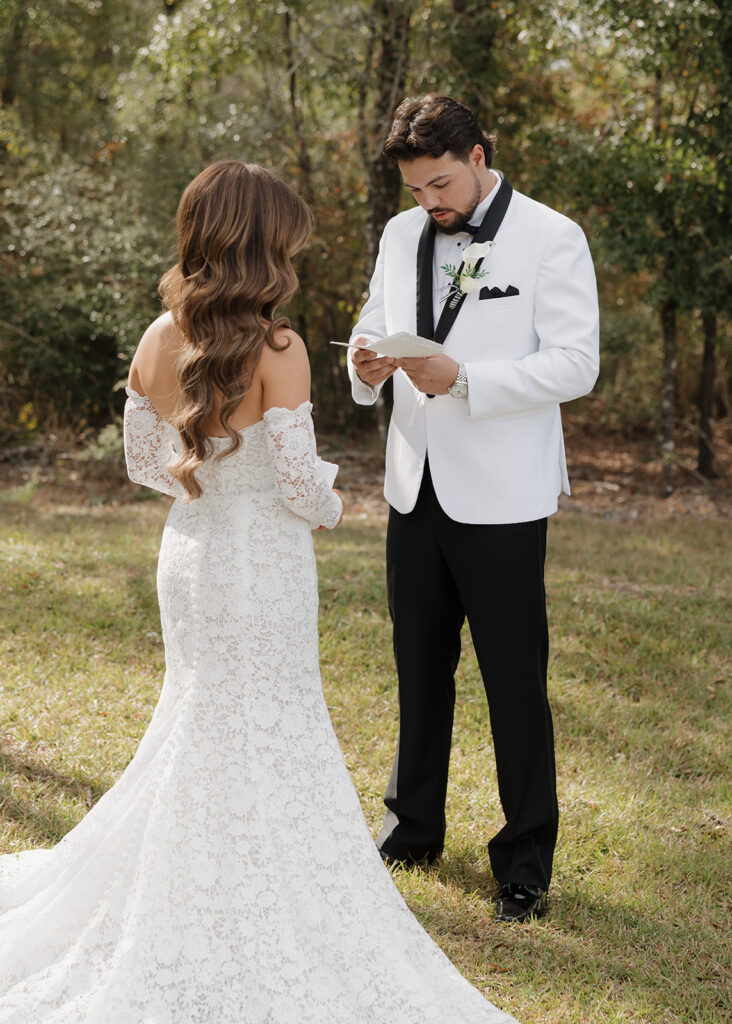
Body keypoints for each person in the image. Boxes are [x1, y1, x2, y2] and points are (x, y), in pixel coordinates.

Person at [0, 161, 520, 1023]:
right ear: (262, 247)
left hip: (192, 554)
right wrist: (335, 499)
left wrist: (202, 483)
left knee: (197, 714)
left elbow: (140, 463)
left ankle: (190, 876)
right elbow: (296, 488)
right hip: (265, 566)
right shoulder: (278, 350)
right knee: (270, 720)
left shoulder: (158, 335)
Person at [348, 95, 600, 923]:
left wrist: (469, 382)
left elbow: (576, 365)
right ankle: (411, 828)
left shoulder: (552, 236)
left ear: (481, 157)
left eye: (442, 184)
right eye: (418, 190)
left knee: (513, 684)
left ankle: (525, 862)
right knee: (420, 670)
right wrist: (363, 364)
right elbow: (373, 326)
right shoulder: (396, 234)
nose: (430, 204)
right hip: (412, 484)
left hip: (502, 493)